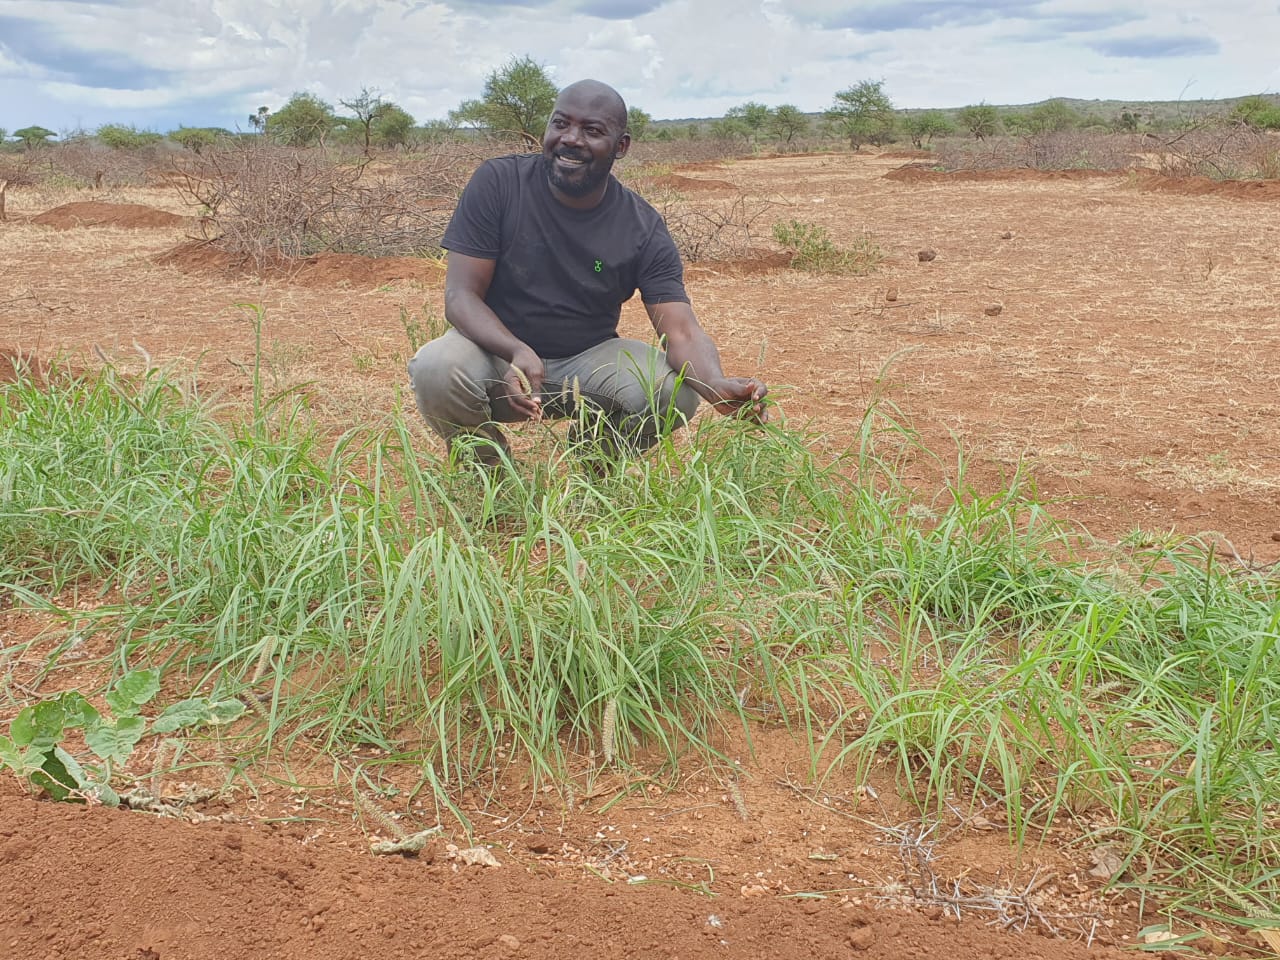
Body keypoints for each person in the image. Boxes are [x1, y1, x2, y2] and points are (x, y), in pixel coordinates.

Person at [408, 79, 767, 465]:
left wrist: (714, 384)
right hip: (495, 357)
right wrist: (514, 350)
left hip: (586, 359)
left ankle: (591, 474)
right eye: (561, 123)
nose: (571, 139)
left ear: (621, 146)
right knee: (436, 368)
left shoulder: (640, 226)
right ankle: (490, 478)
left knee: (672, 393)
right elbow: (461, 296)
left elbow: (680, 330)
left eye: (592, 131)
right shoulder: (499, 183)